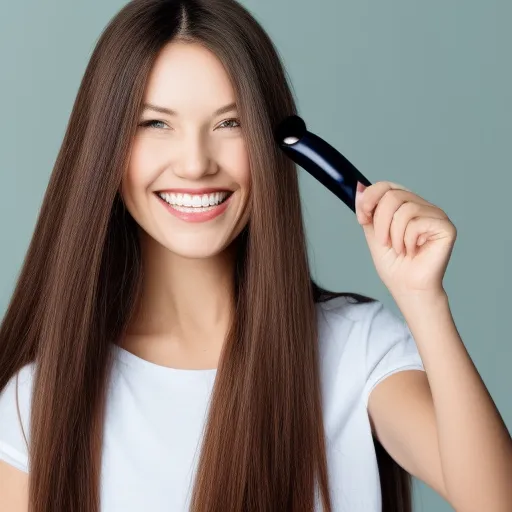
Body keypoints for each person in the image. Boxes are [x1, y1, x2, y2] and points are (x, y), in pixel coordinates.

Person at [1, 0, 511, 511]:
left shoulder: (356, 350)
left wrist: (424, 300)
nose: (196, 163)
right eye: (155, 124)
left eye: (230, 123)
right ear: (106, 145)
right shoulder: (39, 401)